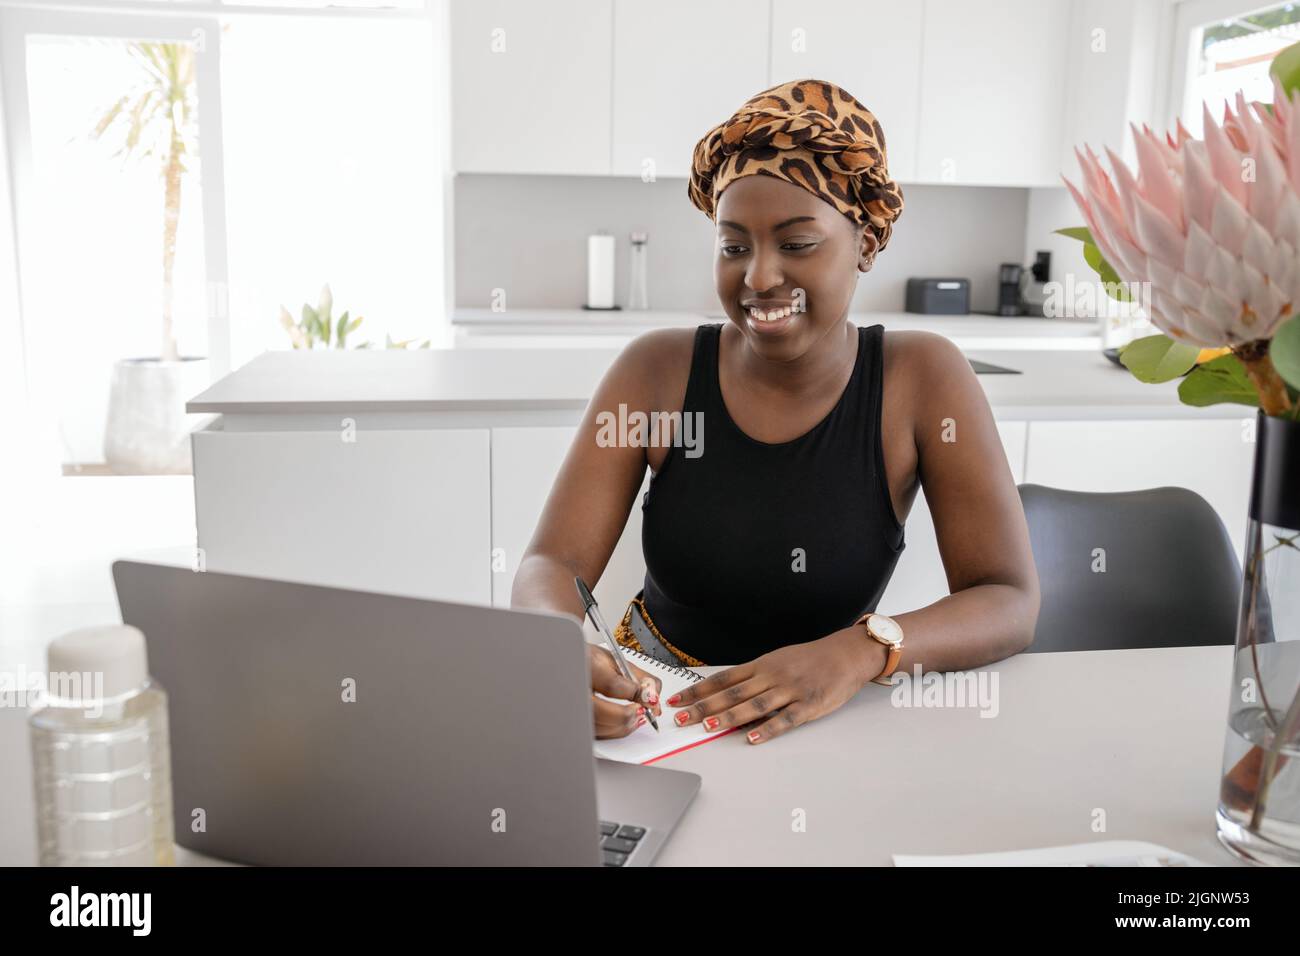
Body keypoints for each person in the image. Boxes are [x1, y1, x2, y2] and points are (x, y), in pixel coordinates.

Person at [512, 79, 1040, 743]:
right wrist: (558, 651)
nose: (759, 276)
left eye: (796, 244)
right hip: (656, 711)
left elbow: (1008, 599)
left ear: (866, 244)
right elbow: (550, 566)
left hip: (827, 714)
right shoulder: (655, 372)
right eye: (734, 246)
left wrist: (859, 653)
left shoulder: (923, 378)